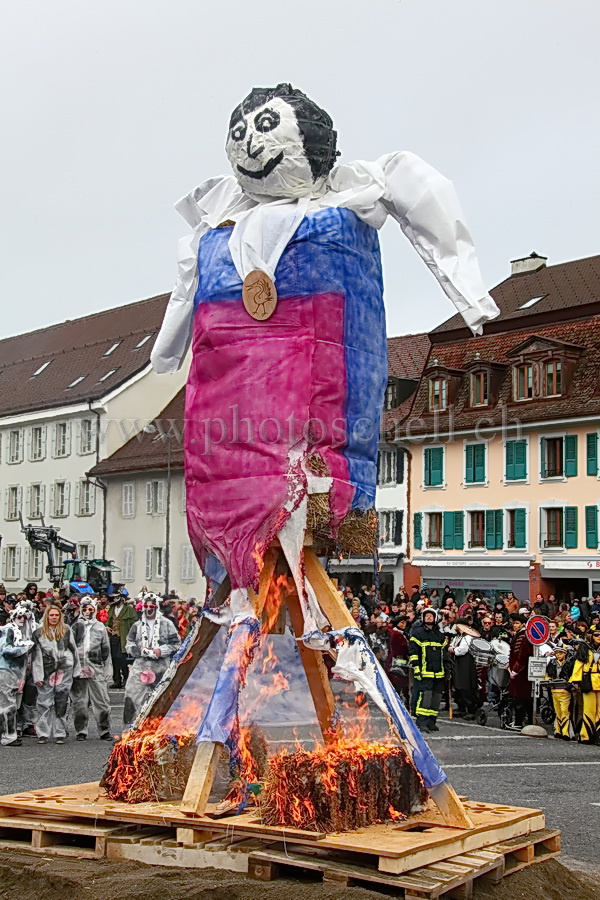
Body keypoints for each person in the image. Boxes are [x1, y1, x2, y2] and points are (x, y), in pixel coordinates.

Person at [123, 593, 181, 725]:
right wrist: (139, 650)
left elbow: (176, 644)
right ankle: (130, 730)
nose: (149, 609)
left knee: (161, 699)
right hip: (140, 667)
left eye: (152, 606)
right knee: (132, 696)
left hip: (160, 667)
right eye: (146, 606)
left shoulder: (167, 624)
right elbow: (129, 643)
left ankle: (157, 731)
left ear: (157, 607)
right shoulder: (137, 626)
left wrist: (161, 650)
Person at [32, 605, 81, 744]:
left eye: (56, 615)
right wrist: (38, 676)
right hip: (46, 671)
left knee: (62, 701)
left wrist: (77, 669)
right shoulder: (38, 633)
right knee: (44, 702)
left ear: (60, 616)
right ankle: (42, 733)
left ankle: (60, 732)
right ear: (47, 616)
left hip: (64, 670)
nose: (54, 618)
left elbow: (74, 650)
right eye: (51, 615)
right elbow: (36, 656)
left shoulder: (66, 630)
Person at [71, 599, 113, 741]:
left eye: (90, 609)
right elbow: (70, 648)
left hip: (96, 668)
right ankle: (81, 730)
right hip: (79, 669)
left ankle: (104, 729)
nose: (87, 612)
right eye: (84, 609)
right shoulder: (76, 626)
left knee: (101, 700)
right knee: (79, 701)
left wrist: (107, 670)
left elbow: (106, 649)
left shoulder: (100, 627)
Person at [0, 603, 35, 746]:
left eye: (25, 617)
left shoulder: (23, 630)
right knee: (7, 706)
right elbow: (5, 650)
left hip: (18, 674)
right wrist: (24, 647)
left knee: (13, 705)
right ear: (14, 617)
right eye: (19, 616)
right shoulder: (9, 630)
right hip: (7, 671)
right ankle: (7, 737)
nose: (22, 619)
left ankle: (10, 733)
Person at [409, 608, 445, 733]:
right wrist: (417, 669)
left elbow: (444, 655)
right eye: (427, 616)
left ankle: (431, 722)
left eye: (431, 616)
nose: (429, 618)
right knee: (425, 697)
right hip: (425, 672)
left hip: (439, 673)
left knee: (436, 698)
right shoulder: (418, 634)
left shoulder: (440, 636)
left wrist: (448, 670)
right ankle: (422, 722)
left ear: (435, 618)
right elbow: (413, 653)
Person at [570, 631, 600, 744]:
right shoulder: (585, 649)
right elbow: (579, 664)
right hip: (589, 682)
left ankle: (598, 736)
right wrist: (576, 680)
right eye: (596, 635)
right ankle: (586, 735)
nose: (598, 637)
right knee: (589, 710)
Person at [448, 619, 480, 720]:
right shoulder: (458, 637)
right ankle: (461, 707)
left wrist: (454, 650)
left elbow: (462, 650)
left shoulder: (468, 638)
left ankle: (471, 709)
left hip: (465, 663)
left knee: (465, 685)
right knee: (457, 685)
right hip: (457, 662)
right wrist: (451, 648)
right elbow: (452, 645)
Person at [107, 591, 138, 688]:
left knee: (123, 658)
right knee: (114, 658)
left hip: (124, 637)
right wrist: (107, 627)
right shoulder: (112, 609)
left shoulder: (129, 609)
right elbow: (108, 621)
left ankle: (126, 678)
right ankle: (116, 680)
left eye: (116, 597)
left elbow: (134, 624)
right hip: (114, 637)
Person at [508, 613, 533, 728]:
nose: (514, 625)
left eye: (517, 623)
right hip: (517, 671)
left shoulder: (523, 636)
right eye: (513, 623)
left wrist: (515, 670)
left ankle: (519, 722)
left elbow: (522, 655)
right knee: (520, 697)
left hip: (522, 673)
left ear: (523, 624)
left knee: (520, 698)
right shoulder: (518, 635)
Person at [545, 645, 575, 741]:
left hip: (565, 690)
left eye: (560, 653)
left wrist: (569, 684)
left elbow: (572, 676)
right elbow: (548, 675)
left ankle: (565, 731)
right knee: (557, 711)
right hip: (554, 690)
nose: (558, 655)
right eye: (557, 653)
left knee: (564, 711)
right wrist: (549, 681)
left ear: (565, 654)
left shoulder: (569, 663)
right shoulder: (552, 663)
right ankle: (558, 730)